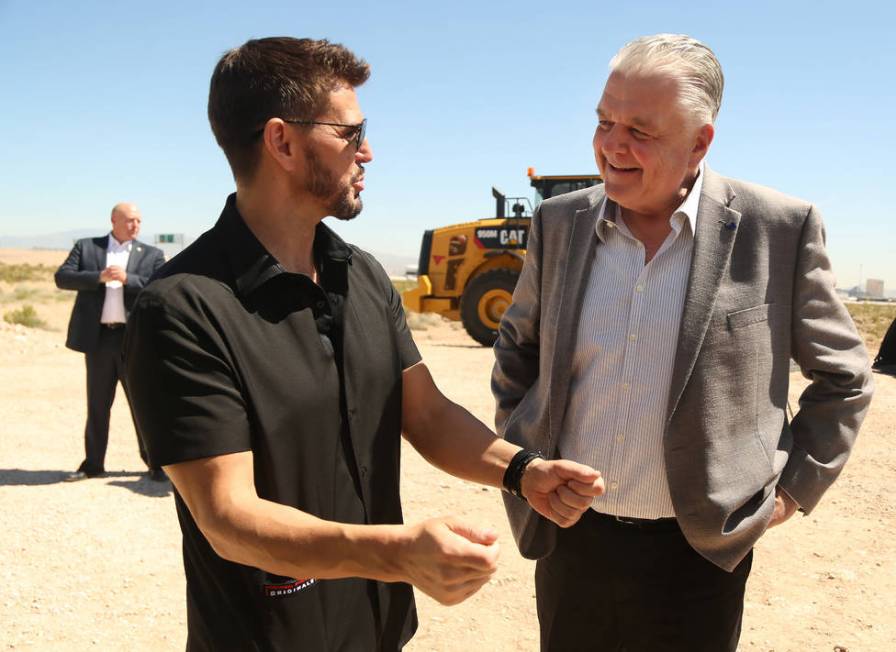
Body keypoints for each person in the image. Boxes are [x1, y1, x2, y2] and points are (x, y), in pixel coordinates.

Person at [122, 37, 604, 652]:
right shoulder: (183, 308)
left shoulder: (364, 274)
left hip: (376, 629)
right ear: (283, 143)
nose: (368, 152)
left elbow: (425, 415)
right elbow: (228, 518)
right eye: (351, 133)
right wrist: (397, 554)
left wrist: (522, 471)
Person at [492, 34, 874, 651]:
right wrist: (525, 458)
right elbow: (516, 349)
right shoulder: (558, 223)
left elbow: (844, 379)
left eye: (641, 130)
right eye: (604, 121)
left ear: (700, 141)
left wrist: (789, 494)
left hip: (700, 551)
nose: (613, 145)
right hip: (571, 541)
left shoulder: (779, 228)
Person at [54, 203, 166, 482]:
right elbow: (62, 277)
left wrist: (130, 279)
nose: (135, 225)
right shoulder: (87, 247)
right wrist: (98, 277)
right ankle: (93, 464)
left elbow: (161, 284)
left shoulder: (152, 254)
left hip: (135, 340)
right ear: (114, 220)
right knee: (98, 405)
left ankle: (155, 465)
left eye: (139, 221)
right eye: (130, 220)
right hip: (99, 340)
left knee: (143, 404)